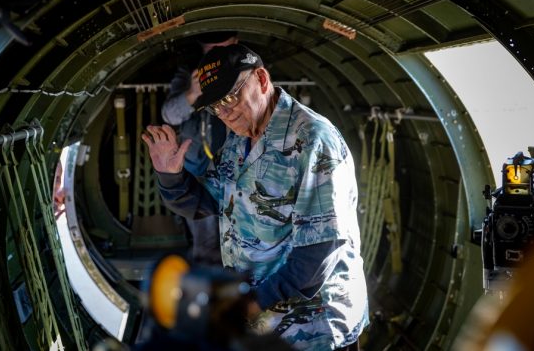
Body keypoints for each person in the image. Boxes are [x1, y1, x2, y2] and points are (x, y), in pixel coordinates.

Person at [142, 44, 369, 350]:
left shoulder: (313, 139)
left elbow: (320, 250)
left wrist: (252, 301)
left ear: (262, 80)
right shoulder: (240, 139)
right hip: (262, 323)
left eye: (230, 98)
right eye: (215, 107)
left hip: (313, 328)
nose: (224, 113)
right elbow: (211, 203)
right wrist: (170, 175)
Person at [159, 32, 238, 266]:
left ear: (235, 43)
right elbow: (169, 115)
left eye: (221, 46)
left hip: (238, 170)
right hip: (199, 171)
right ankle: (208, 286)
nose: (216, 53)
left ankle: (239, 287)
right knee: (205, 240)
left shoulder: (246, 70)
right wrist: (193, 93)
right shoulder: (189, 75)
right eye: (211, 47)